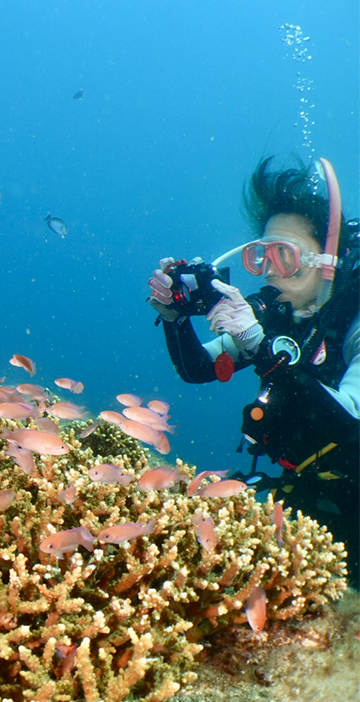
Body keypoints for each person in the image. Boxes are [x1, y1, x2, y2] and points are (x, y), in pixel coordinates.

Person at [148, 156, 359, 583]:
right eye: (259, 257)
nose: (269, 273)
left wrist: (260, 347)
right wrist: (175, 320)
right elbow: (198, 367)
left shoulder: (353, 322)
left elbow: (349, 422)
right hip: (315, 500)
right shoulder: (277, 319)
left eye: (285, 257)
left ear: (326, 262)